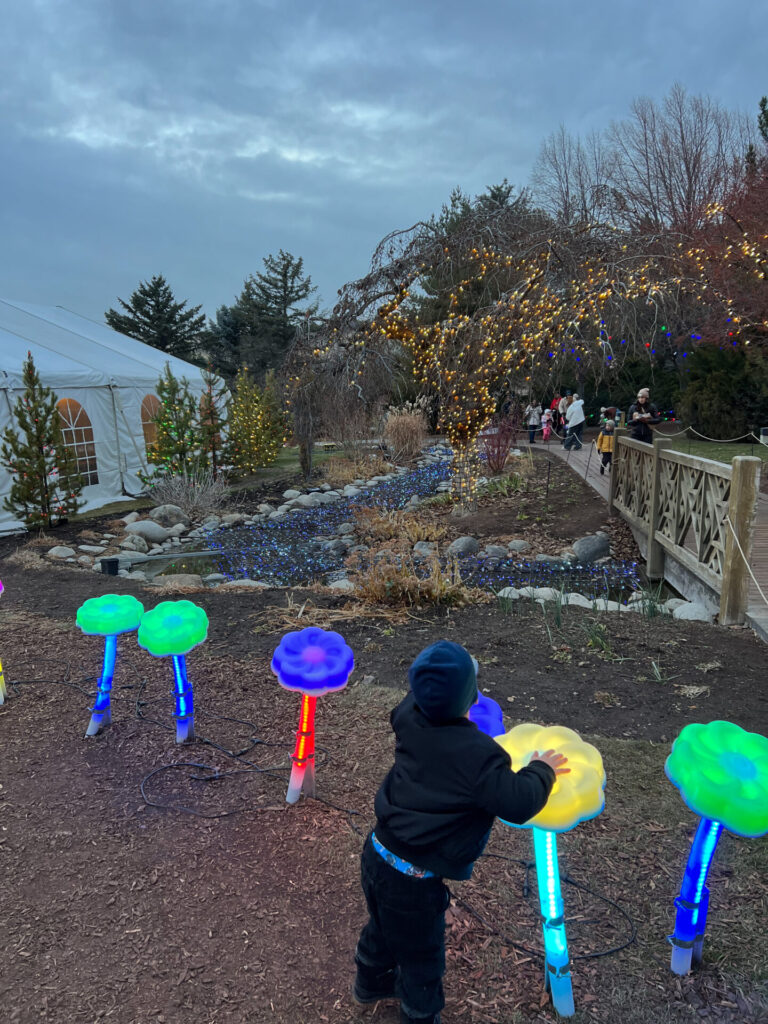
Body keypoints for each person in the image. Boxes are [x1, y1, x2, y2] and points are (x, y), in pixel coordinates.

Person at [353, 641, 569, 1024]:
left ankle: (369, 982)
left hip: (376, 855)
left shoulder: (407, 715)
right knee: (421, 955)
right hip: (414, 882)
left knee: (382, 928)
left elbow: (421, 700)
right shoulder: (477, 756)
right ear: (470, 699)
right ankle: (419, 1014)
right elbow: (517, 801)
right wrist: (541, 769)